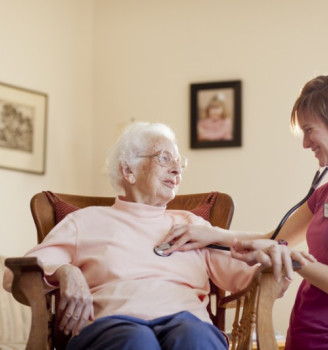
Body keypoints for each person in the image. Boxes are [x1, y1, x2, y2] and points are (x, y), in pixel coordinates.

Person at [3, 122, 310, 350]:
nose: (177, 169)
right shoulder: (85, 221)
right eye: (164, 159)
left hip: (188, 324)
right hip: (113, 326)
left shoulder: (192, 226)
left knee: (195, 337)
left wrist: (274, 263)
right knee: (136, 341)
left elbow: (246, 278)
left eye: (180, 162)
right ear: (129, 170)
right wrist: (65, 271)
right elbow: (12, 275)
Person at [162, 64, 328, 350]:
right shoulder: (326, 192)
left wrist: (294, 260)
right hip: (303, 334)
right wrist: (212, 235)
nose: (305, 143)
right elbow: (275, 237)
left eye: (310, 130)